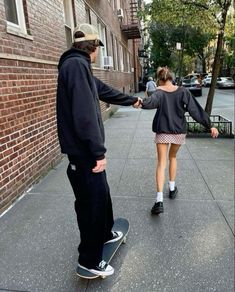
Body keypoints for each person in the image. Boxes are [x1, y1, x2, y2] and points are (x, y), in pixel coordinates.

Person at [56, 23, 141, 277]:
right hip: (84, 155)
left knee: (101, 195)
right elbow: (84, 116)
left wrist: (132, 100)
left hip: (86, 154)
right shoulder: (76, 66)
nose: (97, 54)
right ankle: (89, 260)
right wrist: (98, 152)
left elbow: (103, 91)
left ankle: (105, 234)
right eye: (97, 49)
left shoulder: (78, 67)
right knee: (90, 205)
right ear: (93, 47)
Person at [137, 67, 218, 215]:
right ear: (171, 78)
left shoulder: (159, 92)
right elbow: (195, 110)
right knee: (173, 157)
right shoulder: (183, 91)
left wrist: (139, 102)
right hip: (178, 131)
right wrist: (210, 125)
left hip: (162, 131)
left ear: (160, 79)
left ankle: (159, 200)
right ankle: (172, 188)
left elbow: (148, 103)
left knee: (161, 163)